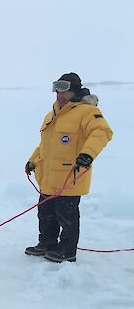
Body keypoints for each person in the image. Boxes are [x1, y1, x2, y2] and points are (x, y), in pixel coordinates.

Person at [25, 72, 113, 263]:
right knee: (46, 214)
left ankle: (67, 250)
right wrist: (33, 161)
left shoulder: (87, 112)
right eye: (57, 89)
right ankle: (47, 243)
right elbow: (45, 145)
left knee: (67, 216)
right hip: (48, 177)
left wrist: (87, 154)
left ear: (75, 90)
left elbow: (102, 132)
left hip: (70, 177)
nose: (59, 94)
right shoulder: (52, 114)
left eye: (64, 90)